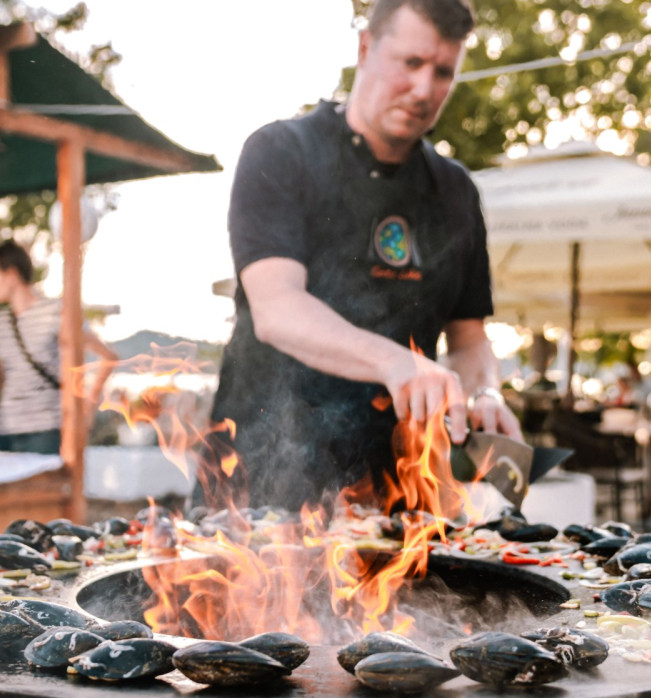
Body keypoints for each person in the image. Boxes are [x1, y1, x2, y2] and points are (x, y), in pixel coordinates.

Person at [211, 0, 521, 509]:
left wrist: (486, 392)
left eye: (443, 71)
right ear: (365, 47)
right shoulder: (280, 152)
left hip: (395, 493)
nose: (425, 89)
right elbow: (276, 309)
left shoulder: (455, 190)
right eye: (411, 63)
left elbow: (469, 339)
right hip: (258, 478)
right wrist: (397, 363)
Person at [0, 241, 118, 454]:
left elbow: (108, 357)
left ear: (11, 274)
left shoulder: (56, 312)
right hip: (6, 431)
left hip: (48, 431)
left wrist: (87, 409)